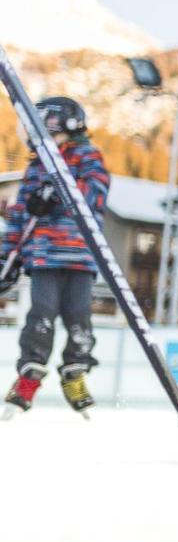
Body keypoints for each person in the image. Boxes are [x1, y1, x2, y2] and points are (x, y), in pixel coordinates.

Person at [1, 96, 110, 419]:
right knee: (41, 315)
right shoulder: (37, 165)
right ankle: (29, 377)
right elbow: (19, 216)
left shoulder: (86, 156)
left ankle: (75, 373)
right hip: (43, 257)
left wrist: (58, 192)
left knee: (79, 318)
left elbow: (95, 193)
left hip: (79, 256)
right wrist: (7, 257)